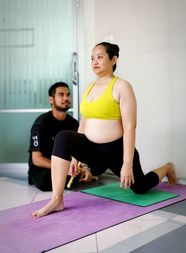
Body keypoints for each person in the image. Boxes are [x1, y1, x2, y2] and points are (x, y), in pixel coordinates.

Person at [32, 42, 176, 218]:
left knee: (141, 187)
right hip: (93, 152)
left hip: (115, 150)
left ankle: (167, 168)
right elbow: (84, 124)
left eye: (100, 57)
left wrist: (127, 164)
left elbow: (130, 127)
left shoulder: (122, 86)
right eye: (92, 58)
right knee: (63, 137)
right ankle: (57, 200)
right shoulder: (89, 88)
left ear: (113, 59)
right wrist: (75, 158)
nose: (94, 61)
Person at [28, 81, 94, 191]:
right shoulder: (41, 124)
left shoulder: (73, 124)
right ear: (51, 99)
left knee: (95, 165)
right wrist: (65, 167)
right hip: (44, 168)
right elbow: (36, 159)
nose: (66, 98)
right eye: (61, 95)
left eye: (68, 95)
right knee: (45, 180)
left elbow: (80, 151)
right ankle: (76, 177)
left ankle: (81, 175)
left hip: (67, 167)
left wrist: (84, 168)